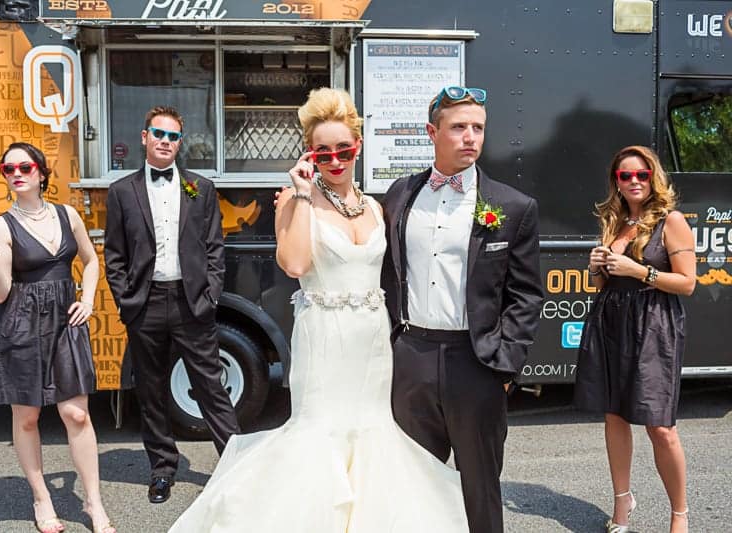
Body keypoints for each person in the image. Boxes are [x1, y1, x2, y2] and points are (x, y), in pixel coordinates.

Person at [169, 88, 468, 532]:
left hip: (371, 341)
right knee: (319, 430)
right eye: (323, 152)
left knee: (373, 430)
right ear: (310, 154)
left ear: (358, 147)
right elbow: (294, 264)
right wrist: (303, 195)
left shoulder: (375, 207)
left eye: (343, 150)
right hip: (324, 338)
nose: (335, 160)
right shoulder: (293, 202)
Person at [381, 86, 544, 533]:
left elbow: (526, 295)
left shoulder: (513, 207)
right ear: (432, 132)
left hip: (476, 361)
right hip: (411, 358)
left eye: (478, 128)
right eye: (458, 128)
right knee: (415, 485)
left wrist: (504, 364)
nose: (470, 137)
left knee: (480, 488)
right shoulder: (399, 195)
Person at [0, 143, 115, 533]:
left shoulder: (67, 215)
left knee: (77, 414)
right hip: (20, 322)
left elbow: (91, 260)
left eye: (25, 166)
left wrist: (88, 299)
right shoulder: (1, 226)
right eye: (8, 168)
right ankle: (41, 497)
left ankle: (94, 503)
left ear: (42, 173)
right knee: (27, 418)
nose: (16, 173)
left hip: (65, 320)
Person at [104, 106, 240, 504]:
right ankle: (162, 469)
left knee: (211, 386)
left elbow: (214, 247)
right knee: (151, 390)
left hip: (191, 301)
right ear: (145, 137)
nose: (165, 141)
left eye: (173, 136)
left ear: (180, 143)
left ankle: (237, 466)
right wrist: (126, 299)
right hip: (144, 305)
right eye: (159, 134)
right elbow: (114, 255)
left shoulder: (200, 187)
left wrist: (210, 294)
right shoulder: (122, 191)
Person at [574, 145, 695, 533]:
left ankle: (679, 514)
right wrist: (596, 268)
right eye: (625, 175)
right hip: (612, 320)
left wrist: (639, 270)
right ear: (617, 181)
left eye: (641, 174)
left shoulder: (671, 220)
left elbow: (688, 283)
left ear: (653, 177)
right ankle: (621, 504)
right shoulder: (615, 220)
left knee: (660, 426)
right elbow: (602, 283)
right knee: (614, 414)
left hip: (654, 324)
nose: (634, 181)